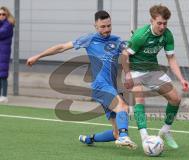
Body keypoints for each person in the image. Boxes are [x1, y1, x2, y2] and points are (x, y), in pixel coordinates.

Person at [26, 10, 137, 149]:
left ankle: (90, 138)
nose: (106, 29)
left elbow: (128, 54)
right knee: (123, 107)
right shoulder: (89, 39)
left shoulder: (117, 40)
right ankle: (124, 137)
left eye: (109, 26)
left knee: (116, 132)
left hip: (111, 87)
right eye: (102, 27)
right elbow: (61, 47)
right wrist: (38, 56)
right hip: (100, 86)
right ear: (95, 26)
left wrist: (134, 47)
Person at [121, 4, 189, 149]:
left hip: (152, 70)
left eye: (165, 23)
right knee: (140, 97)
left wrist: (182, 78)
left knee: (176, 99)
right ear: (151, 21)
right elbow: (124, 55)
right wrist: (128, 76)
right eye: (159, 23)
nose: (162, 26)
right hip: (135, 70)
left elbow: (171, 58)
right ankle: (144, 136)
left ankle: (165, 131)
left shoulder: (167, 35)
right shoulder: (140, 35)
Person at [0, 6, 15, 103]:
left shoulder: (8, 25)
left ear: (7, 15)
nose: (1, 16)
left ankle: (4, 96)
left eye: (3, 14)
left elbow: (2, 33)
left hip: (3, 53)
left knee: (3, 75)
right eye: (0, 14)